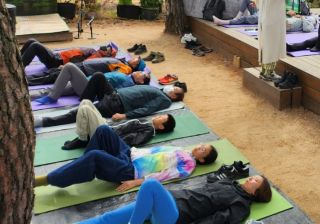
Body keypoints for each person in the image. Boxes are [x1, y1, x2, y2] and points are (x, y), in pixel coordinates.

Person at [30, 175, 272, 224]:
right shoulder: (230, 184)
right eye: (252, 177)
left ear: (257, 192)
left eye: (255, 182)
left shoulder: (242, 205)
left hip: (175, 217)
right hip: (163, 205)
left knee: (151, 183)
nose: (250, 178)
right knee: (107, 218)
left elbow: (217, 222)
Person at [34, 125, 217, 193]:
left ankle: (48, 179)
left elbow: (166, 175)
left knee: (96, 156)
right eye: (202, 144)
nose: (199, 146)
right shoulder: (181, 149)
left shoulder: (189, 164)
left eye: (203, 149)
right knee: (104, 130)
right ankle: (81, 167)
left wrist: (136, 182)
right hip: (130, 154)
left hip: (131, 170)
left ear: (202, 160)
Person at [35, 81, 183, 129]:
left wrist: (125, 115)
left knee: (81, 111)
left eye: (174, 89)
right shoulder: (157, 88)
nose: (171, 86)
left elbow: (148, 109)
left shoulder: (165, 99)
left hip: (117, 105)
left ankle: (44, 121)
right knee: (98, 77)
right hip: (114, 96)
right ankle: (86, 104)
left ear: (173, 95)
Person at [61, 99, 177, 150]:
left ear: (161, 126)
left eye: (161, 118)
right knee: (86, 102)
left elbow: (129, 140)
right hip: (108, 127)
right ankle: (84, 137)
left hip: (106, 135)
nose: (159, 116)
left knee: (85, 108)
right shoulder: (147, 123)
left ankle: (82, 140)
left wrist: (106, 143)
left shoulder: (148, 131)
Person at [255, 0, 298, 81]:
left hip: (263, 19)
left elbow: (257, 1)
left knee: (264, 45)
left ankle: (264, 71)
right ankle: (269, 73)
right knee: (272, 47)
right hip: (273, 20)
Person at [30, 62, 150, 104]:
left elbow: (114, 94)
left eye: (143, 74)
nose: (140, 71)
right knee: (51, 89)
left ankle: (52, 97)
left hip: (88, 88)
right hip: (84, 82)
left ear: (140, 81)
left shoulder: (128, 82)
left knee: (69, 67)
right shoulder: (126, 76)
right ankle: (21, 96)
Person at [27, 56, 145, 86]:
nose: (133, 58)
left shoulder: (127, 68)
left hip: (86, 70)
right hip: (84, 65)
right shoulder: (123, 62)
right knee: (54, 71)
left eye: (136, 59)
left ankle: (28, 81)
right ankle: (27, 78)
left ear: (135, 65)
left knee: (54, 75)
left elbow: (113, 76)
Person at [21, 40, 115, 68]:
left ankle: (21, 66)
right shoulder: (94, 51)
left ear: (107, 54)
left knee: (35, 45)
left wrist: (64, 67)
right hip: (57, 56)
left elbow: (84, 64)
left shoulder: (97, 56)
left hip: (57, 61)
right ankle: (17, 58)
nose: (106, 48)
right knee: (31, 41)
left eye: (108, 49)